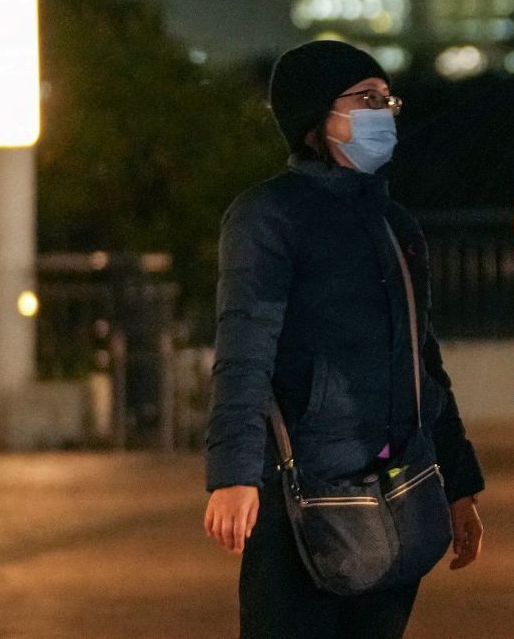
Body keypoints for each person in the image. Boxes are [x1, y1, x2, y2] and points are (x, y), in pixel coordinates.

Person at [204, 39, 485, 639]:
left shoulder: (394, 221)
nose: (383, 112)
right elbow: (243, 350)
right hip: (301, 490)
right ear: (316, 119)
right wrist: (232, 474)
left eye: (388, 100)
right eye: (366, 99)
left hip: (395, 484)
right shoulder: (269, 215)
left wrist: (460, 484)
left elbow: (422, 359)